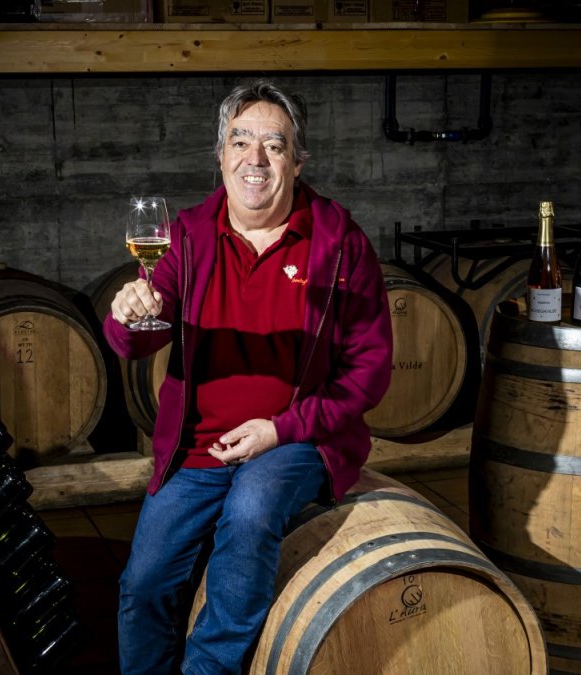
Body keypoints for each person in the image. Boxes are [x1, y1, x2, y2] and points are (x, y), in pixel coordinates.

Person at [103, 79, 392, 675]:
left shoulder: (339, 243)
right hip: (198, 447)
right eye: (240, 141)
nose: (254, 159)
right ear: (220, 155)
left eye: (274, 145)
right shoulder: (186, 236)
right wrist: (128, 314)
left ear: (298, 159)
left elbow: (370, 370)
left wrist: (282, 429)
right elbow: (136, 338)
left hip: (294, 441)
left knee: (252, 512)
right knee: (144, 584)